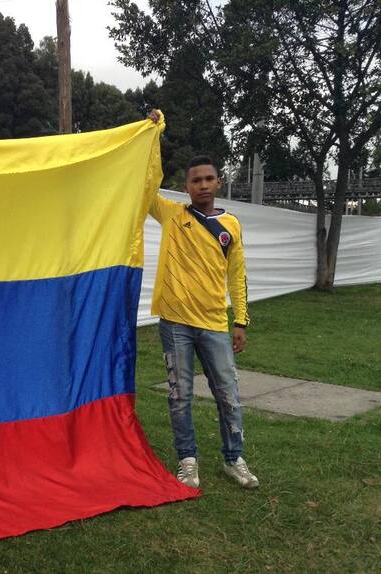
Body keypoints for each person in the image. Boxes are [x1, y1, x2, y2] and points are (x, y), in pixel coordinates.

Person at [146, 117, 258, 489]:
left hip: (213, 323)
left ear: (218, 182)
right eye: (196, 180)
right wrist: (154, 136)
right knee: (180, 396)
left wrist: (240, 321)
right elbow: (145, 187)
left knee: (229, 395)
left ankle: (234, 458)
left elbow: (237, 275)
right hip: (175, 323)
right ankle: (188, 461)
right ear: (186, 187)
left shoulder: (232, 226)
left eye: (209, 179)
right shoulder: (172, 214)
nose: (203, 185)